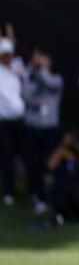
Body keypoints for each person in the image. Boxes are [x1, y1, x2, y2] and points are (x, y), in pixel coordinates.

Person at [22, 50, 63, 215]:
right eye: (39, 64)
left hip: (50, 130)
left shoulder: (57, 79)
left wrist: (40, 69)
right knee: (35, 165)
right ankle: (39, 197)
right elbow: (27, 98)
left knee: (52, 164)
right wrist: (31, 70)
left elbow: (50, 83)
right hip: (33, 129)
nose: (40, 67)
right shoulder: (33, 83)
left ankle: (56, 195)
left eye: (43, 64)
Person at [0, 38, 22, 206]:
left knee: (27, 157)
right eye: (4, 55)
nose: (7, 58)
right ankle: (9, 192)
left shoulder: (18, 68)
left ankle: (35, 193)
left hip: (21, 120)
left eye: (9, 55)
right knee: (6, 158)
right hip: (5, 122)